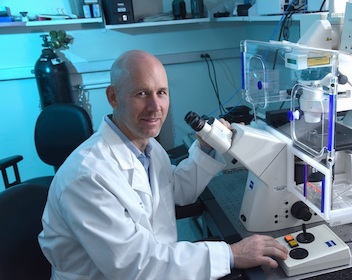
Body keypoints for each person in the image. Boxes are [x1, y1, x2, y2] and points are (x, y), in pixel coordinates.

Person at [38, 50, 288, 280]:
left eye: (161, 92)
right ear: (113, 97)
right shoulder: (87, 177)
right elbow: (135, 266)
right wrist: (231, 254)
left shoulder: (146, 146)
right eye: (141, 93)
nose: (155, 107)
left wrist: (205, 146)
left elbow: (174, 191)